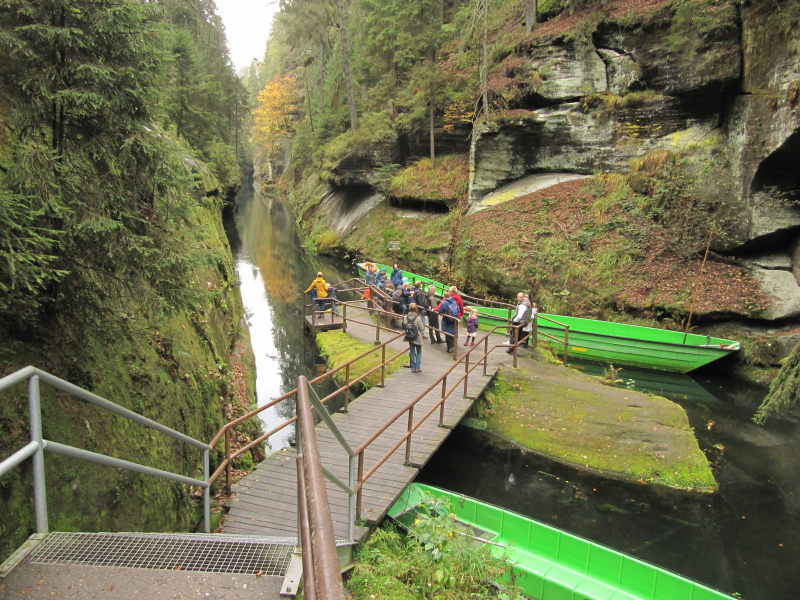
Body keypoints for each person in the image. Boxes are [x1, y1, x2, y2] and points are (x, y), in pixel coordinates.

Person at [402, 304, 424, 373]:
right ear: (415, 309)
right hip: (417, 337)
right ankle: (417, 368)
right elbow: (422, 328)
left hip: (409, 337)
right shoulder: (418, 318)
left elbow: (404, 325)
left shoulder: (405, 317)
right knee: (419, 352)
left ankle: (413, 367)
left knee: (412, 351)